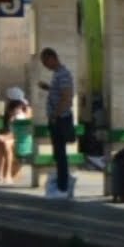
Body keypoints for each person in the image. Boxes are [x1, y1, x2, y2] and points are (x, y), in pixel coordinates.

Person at [38, 47, 77, 199]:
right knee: (58, 153)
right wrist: (48, 88)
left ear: (52, 58)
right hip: (57, 118)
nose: (45, 65)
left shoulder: (63, 74)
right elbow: (60, 92)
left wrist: (55, 115)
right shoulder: (57, 75)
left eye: (45, 61)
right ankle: (64, 182)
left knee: (60, 154)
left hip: (60, 119)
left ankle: (63, 187)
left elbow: (66, 97)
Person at [0, 87, 32, 183]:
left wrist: (4, 137)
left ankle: (8, 175)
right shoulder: (11, 115)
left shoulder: (21, 115)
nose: (6, 102)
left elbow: (17, 134)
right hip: (13, 137)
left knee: (6, 144)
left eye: (8, 100)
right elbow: (9, 131)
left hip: (22, 141)